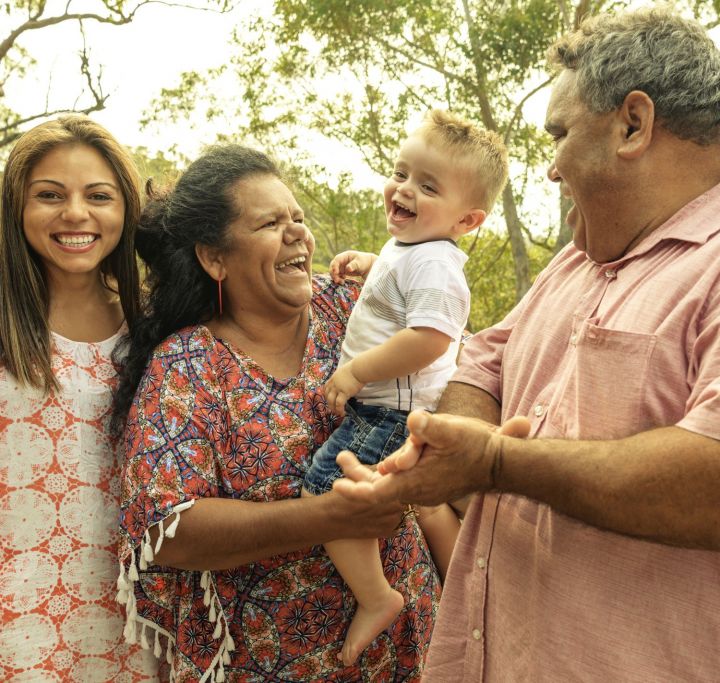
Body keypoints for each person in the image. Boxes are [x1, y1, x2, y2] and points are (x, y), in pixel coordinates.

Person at [334, 7, 720, 681]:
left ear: (633, 124)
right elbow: (483, 361)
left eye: (561, 134)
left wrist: (498, 465)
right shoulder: (575, 260)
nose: (550, 169)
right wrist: (444, 448)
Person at [112, 144, 441, 683]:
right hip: (270, 664)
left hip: (411, 648)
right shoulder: (190, 366)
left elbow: (455, 356)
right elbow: (165, 529)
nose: (297, 234)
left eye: (299, 218)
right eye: (269, 222)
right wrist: (328, 517)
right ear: (213, 257)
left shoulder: (356, 309)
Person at [301, 109, 508, 666]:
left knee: (327, 490)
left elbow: (431, 337)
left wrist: (357, 370)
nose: (405, 189)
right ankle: (455, 588)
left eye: (428, 186)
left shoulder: (439, 262)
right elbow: (402, 290)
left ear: (467, 221)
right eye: (401, 173)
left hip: (390, 409)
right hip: (395, 407)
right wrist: (374, 266)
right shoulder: (414, 248)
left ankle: (377, 597)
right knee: (426, 500)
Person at [0, 116, 160, 681]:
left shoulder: (157, 326)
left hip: (135, 627)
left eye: (98, 196)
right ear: (16, 207)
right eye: (49, 195)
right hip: (18, 625)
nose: (75, 214)